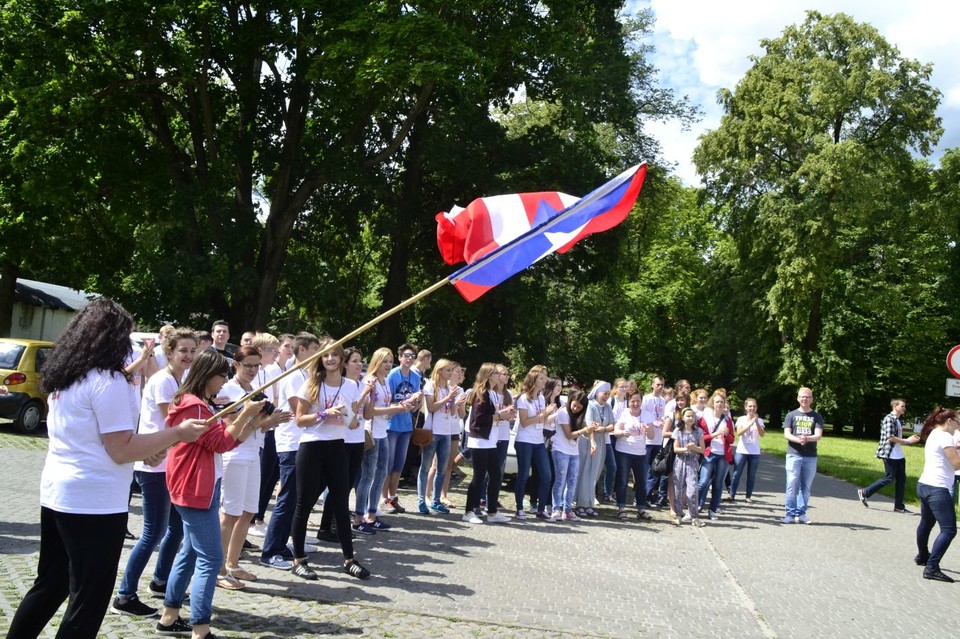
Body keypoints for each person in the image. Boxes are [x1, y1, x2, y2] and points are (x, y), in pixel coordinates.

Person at [6, 299, 207, 639]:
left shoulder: (66, 376)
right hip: (93, 502)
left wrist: (152, 449)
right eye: (125, 336)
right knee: (89, 597)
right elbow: (119, 450)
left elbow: (109, 442)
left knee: (51, 584)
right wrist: (176, 433)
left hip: (59, 492)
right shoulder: (108, 380)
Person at [157, 349, 266, 638]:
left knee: (189, 553)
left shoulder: (199, 403)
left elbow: (227, 442)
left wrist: (251, 419)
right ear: (208, 375)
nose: (223, 382)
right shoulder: (194, 407)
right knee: (210, 559)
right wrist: (244, 414)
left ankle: (168, 618)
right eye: (221, 376)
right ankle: (200, 628)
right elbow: (219, 443)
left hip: (197, 485)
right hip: (194, 488)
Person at [112, 328, 198, 616]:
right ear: (169, 352)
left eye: (192, 351)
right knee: (153, 531)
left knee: (176, 528)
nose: (188, 355)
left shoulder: (184, 380)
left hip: (172, 463)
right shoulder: (163, 381)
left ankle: (161, 581)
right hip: (153, 464)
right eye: (182, 350)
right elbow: (173, 421)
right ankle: (124, 595)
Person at [290, 338, 370, 581]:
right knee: (304, 504)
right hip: (312, 447)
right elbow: (299, 420)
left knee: (340, 502)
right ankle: (299, 559)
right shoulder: (311, 385)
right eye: (326, 355)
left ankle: (349, 559)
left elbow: (354, 421)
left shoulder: (351, 385)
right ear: (320, 359)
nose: (330, 359)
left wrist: (347, 418)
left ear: (341, 358)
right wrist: (324, 414)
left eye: (334, 355)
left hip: (337, 446)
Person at [216, 346, 292, 590]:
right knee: (230, 512)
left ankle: (232, 563)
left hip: (253, 452)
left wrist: (270, 422)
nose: (251, 370)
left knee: (248, 512)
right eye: (247, 365)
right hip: (234, 454)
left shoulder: (256, 390)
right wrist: (267, 421)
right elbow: (232, 426)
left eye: (255, 365)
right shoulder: (228, 389)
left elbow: (256, 427)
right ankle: (218, 568)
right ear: (235, 365)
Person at [258, 333, 320, 571]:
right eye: (315, 348)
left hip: (301, 443)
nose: (318, 354)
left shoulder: (306, 374)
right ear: (302, 350)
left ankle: (282, 543)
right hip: (291, 443)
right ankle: (270, 550)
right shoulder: (294, 375)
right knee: (287, 497)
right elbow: (298, 409)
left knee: (295, 498)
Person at [462, 363, 514, 524]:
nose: (499, 375)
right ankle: (469, 511)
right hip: (480, 441)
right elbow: (478, 420)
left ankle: (492, 511)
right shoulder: (481, 393)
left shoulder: (491, 393)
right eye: (495, 373)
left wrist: (502, 415)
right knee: (478, 477)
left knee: (496, 475)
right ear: (488, 375)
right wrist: (500, 415)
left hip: (491, 440)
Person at [914, 407, 960, 582]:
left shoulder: (934, 433)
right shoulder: (946, 436)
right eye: (957, 421)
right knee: (949, 530)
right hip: (937, 488)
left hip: (924, 484)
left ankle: (923, 556)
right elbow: (956, 464)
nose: (958, 424)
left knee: (926, 523)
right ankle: (932, 567)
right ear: (949, 421)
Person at [381, 343, 423, 514]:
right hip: (391, 425)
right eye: (406, 355)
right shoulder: (392, 375)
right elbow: (387, 401)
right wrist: (404, 403)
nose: (409, 359)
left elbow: (415, 405)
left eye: (413, 356)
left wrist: (415, 402)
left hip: (406, 425)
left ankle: (393, 496)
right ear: (399, 357)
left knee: (399, 463)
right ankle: (383, 499)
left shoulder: (415, 377)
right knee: (388, 463)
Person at [418, 359, 464, 514]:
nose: (451, 373)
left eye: (452, 370)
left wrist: (455, 401)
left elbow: (451, 411)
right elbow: (431, 407)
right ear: (439, 371)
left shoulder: (448, 388)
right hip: (433, 431)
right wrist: (448, 397)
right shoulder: (431, 385)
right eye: (448, 370)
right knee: (426, 466)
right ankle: (422, 499)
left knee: (443, 468)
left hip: (446, 432)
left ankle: (437, 500)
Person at [857, 398, 919, 512]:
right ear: (895, 406)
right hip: (889, 454)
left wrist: (910, 440)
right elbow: (890, 437)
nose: (904, 408)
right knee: (889, 478)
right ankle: (865, 492)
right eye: (902, 406)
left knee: (901, 480)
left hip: (898, 454)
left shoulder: (898, 420)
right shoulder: (889, 419)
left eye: (904, 406)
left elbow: (897, 438)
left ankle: (899, 506)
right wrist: (907, 441)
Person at [514, 365, 555, 519]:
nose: (545, 381)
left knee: (546, 475)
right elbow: (524, 422)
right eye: (542, 379)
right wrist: (543, 414)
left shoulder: (542, 398)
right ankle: (519, 508)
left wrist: (549, 416)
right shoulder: (524, 398)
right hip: (524, 440)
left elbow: (542, 420)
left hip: (538, 441)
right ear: (533, 380)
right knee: (523, 475)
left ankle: (541, 509)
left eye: (545, 378)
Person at [782, 386, 824, 525]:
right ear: (798, 398)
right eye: (802, 396)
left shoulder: (816, 416)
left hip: (810, 456)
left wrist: (807, 438)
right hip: (794, 454)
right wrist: (798, 439)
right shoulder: (791, 415)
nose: (805, 399)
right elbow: (787, 434)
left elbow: (818, 435)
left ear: (811, 399)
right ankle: (789, 513)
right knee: (791, 485)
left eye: (807, 396)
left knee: (806, 487)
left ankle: (801, 513)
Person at [611, 392, 655, 522]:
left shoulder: (647, 414)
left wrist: (648, 430)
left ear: (641, 401)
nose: (635, 404)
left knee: (641, 482)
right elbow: (616, 431)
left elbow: (652, 436)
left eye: (638, 401)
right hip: (624, 451)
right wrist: (622, 432)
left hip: (640, 452)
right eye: (632, 401)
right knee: (622, 481)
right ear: (628, 402)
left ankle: (641, 508)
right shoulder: (623, 413)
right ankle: (621, 508)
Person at [575, 381, 613, 517]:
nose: (606, 396)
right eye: (604, 393)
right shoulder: (590, 405)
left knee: (595, 473)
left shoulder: (607, 407)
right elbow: (590, 426)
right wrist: (592, 443)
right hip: (588, 442)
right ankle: (580, 504)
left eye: (608, 394)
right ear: (597, 393)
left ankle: (589, 504)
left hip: (601, 442)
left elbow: (612, 425)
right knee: (585, 472)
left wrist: (603, 429)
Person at [551, 390, 587, 521]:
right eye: (574, 405)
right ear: (570, 401)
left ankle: (567, 510)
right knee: (560, 480)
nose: (576, 409)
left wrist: (590, 429)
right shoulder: (563, 413)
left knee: (572, 481)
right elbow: (569, 434)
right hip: (560, 449)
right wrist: (584, 430)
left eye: (579, 407)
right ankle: (556, 509)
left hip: (574, 451)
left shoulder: (580, 416)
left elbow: (585, 433)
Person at [697, 393, 733, 520]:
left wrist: (727, 435)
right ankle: (696, 505)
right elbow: (701, 437)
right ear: (713, 403)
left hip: (723, 455)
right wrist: (716, 433)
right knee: (703, 481)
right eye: (717, 402)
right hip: (709, 453)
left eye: (722, 403)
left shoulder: (727, 420)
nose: (719, 404)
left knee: (718, 484)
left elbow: (732, 440)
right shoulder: (705, 418)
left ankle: (712, 510)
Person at [672, 407, 706, 526]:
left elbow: (702, 449)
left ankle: (693, 515)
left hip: (692, 461)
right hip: (680, 461)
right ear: (682, 417)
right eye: (688, 416)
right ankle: (678, 514)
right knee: (678, 489)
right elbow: (675, 449)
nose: (691, 418)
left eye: (692, 416)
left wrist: (694, 448)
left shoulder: (699, 431)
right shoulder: (678, 431)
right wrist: (686, 448)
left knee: (692, 489)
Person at [728, 398, 765, 503]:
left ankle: (748, 496)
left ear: (756, 407)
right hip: (742, 451)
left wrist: (757, 422)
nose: (752, 408)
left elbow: (762, 434)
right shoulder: (741, 419)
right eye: (750, 406)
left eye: (754, 406)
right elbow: (739, 432)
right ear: (745, 407)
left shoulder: (760, 420)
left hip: (755, 452)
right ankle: (732, 495)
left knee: (751, 475)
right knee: (736, 474)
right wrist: (751, 422)